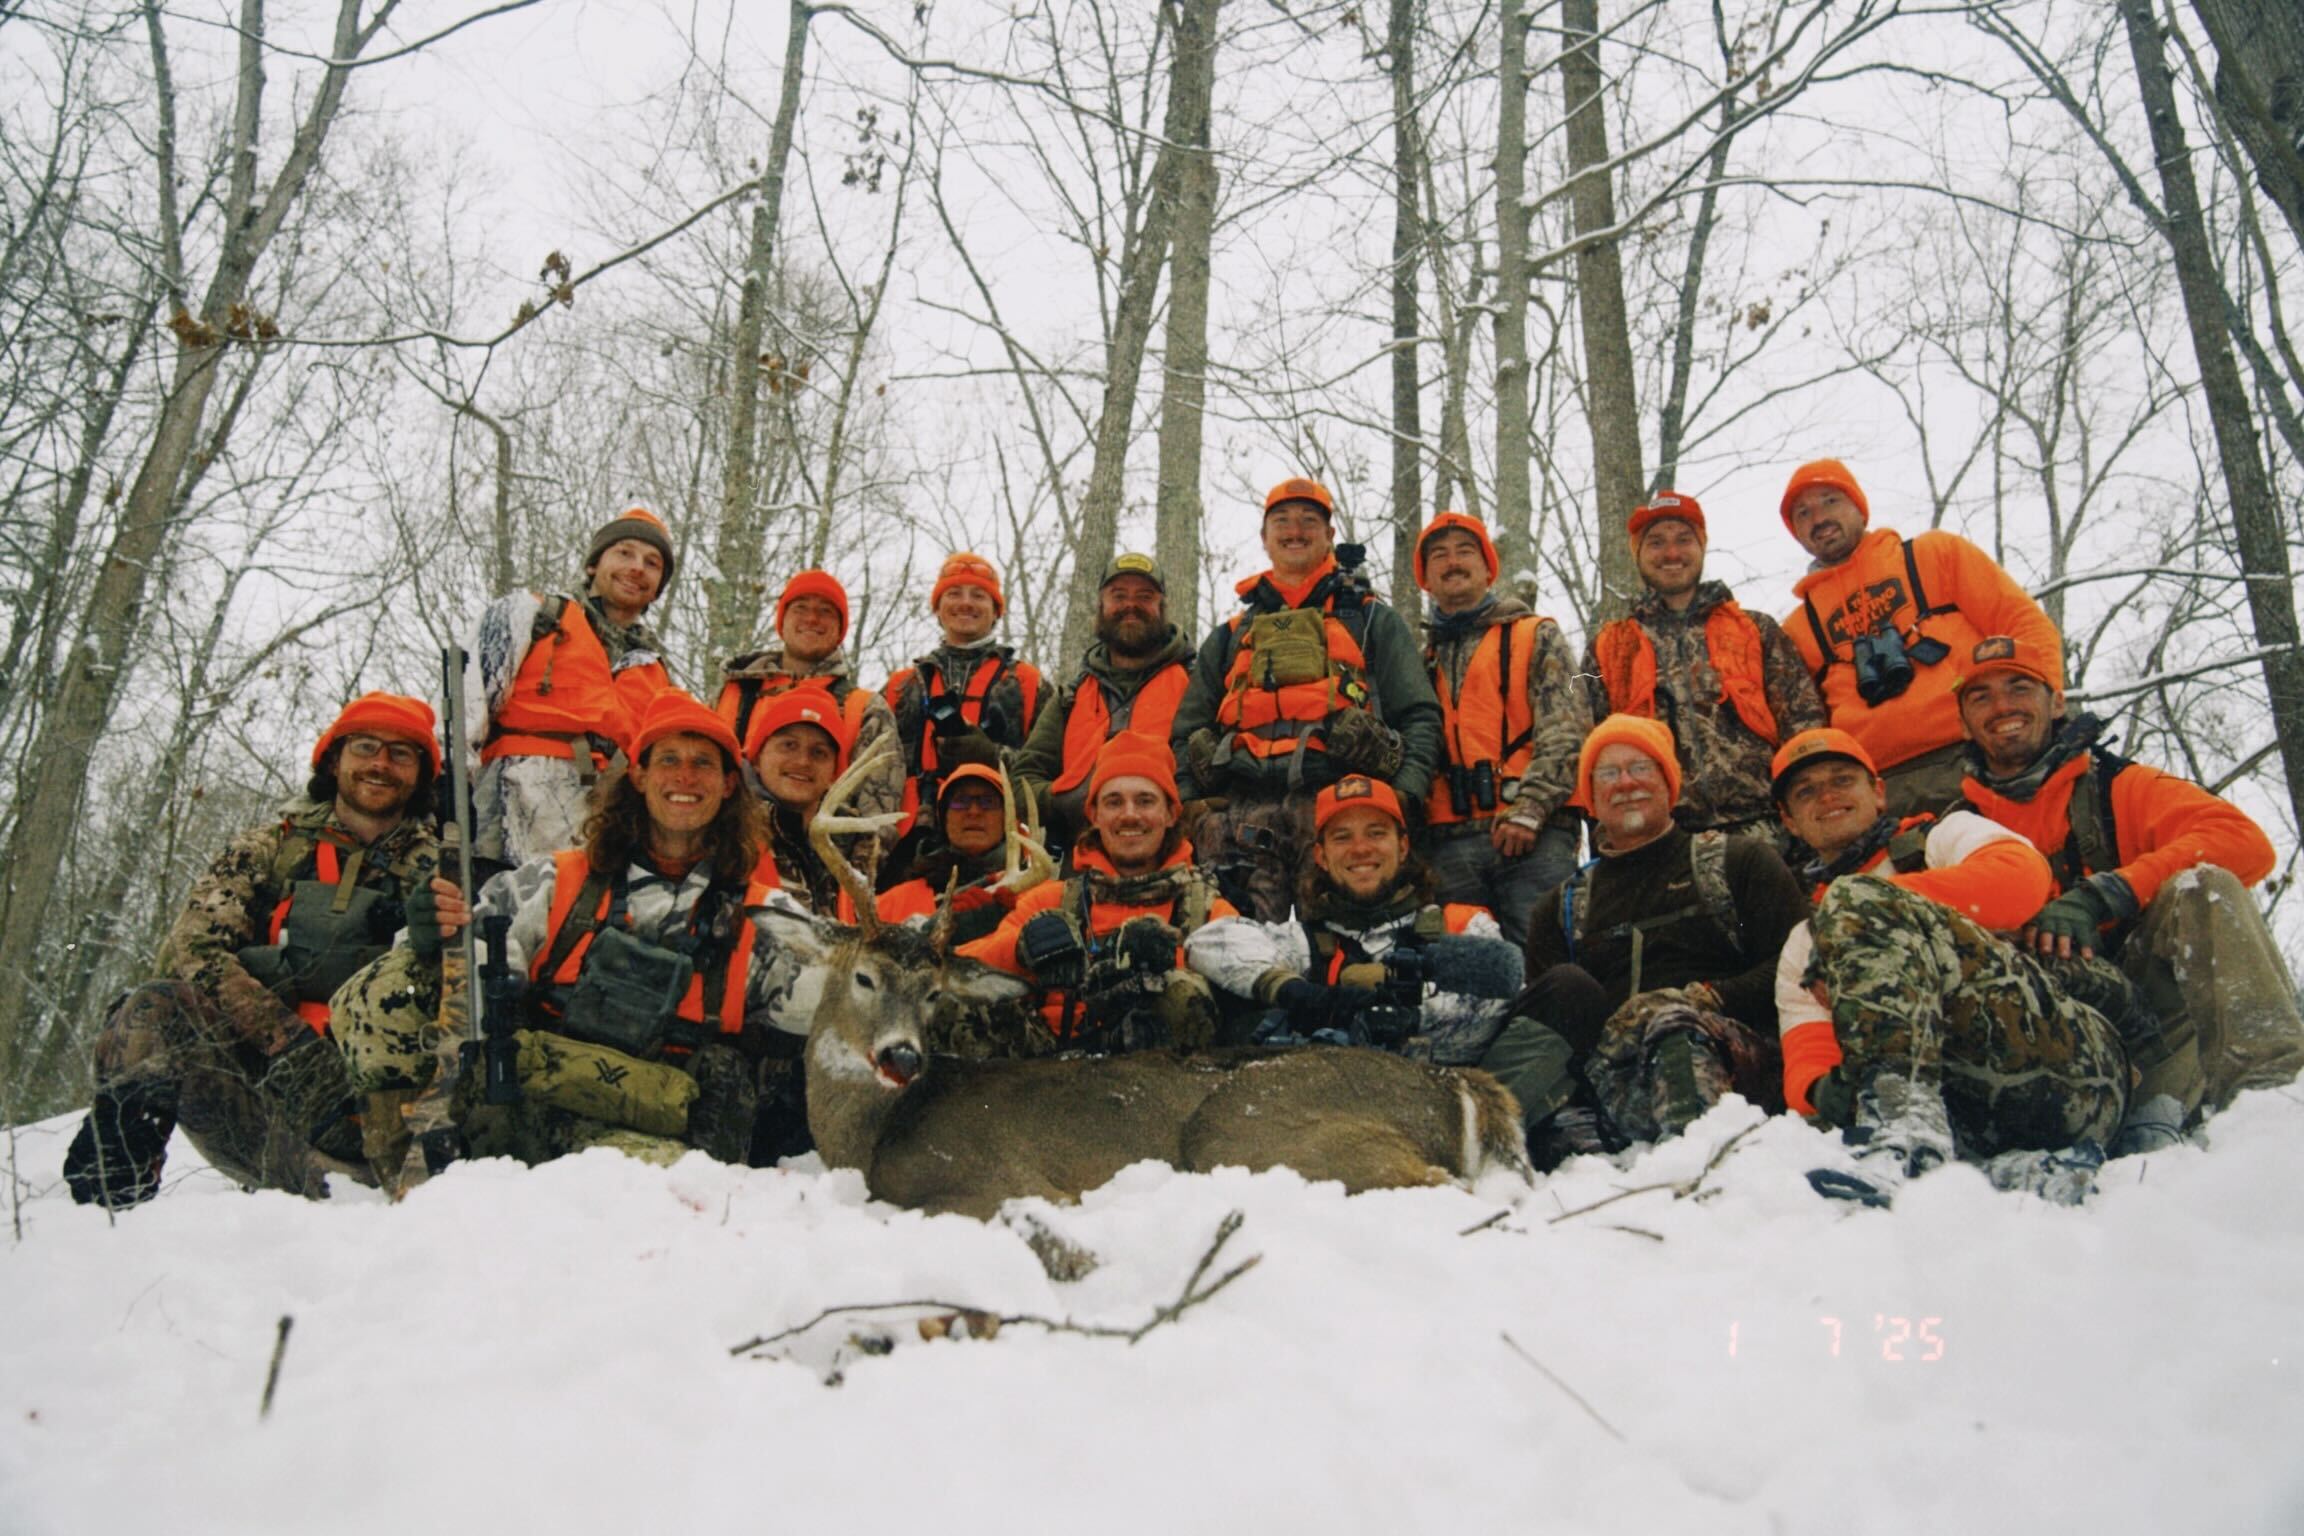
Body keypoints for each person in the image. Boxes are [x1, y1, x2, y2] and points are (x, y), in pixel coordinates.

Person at [337, 689, 801, 1183]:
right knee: (388, 984)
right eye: (668, 759)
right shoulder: (555, 881)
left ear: (730, 784)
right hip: (520, 1098)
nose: (684, 777)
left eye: (703, 763)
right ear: (639, 775)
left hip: (647, 1126)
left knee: (669, 1192)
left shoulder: (769, 916)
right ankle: (414, 1191)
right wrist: (436, 936)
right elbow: (467, 955)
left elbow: (834, 1008)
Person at [63, 695, 442, 1207]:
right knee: (154, 1008)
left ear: (421, 774)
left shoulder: (444, 871)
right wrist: (288, 1045)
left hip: (387, 1128)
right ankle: (110, 1204)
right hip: (268, 1103)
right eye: (366, 747)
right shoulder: (267, 850)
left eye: (401, 753)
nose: (380, 764)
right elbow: (193, 954)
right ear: (335, 760)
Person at [1768, 726, 2132, 1205]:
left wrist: (1863, 909)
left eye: (1842, 780)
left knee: (1853, 899)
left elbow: (2021, 881)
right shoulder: (1802, 942)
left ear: (1878, 792)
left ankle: (1908, 1139)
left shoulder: (1944, 837)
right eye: (1806, 792)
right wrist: (1826, 1090)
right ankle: (1999, 1172)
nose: (1828, 796)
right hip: (1965, 1108)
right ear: (1790, 821)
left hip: (2071, 1070)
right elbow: (1806, 1065)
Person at [1951, 635, 2304, 1122]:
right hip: (2042, 1052)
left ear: (2056, 702)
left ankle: (2274, 1100)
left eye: (2019, 687)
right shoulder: (1951, 831)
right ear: (1962, 721)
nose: (2002, 706)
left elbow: (2245, 843)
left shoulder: (2119, 787)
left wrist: (2110, 893)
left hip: (2153, 1031)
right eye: (1980, 696)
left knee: (2203, 889)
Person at [1516, 715, 1812, 1153]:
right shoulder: (1558, 909)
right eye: (1609, 773)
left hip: (1739, 1071)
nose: (1626, 783)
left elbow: (1799, 969)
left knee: (1674, 1026)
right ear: (1591, 800)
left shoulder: (1741, 862)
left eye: (1642, 767)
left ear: (1670, 784)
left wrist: (1703, 998)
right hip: (1618, 1082)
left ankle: (1696, 1162)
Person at [1172, 477, 1442, 922]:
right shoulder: (1229, 637)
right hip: (1241, 816)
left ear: (1329, 536)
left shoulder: (1374, 621)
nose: (1294, 531)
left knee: (1344, 953)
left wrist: (1404, 795)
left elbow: (1419, 715)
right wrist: (1191, 805)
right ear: (1264, 537)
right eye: (1282, 521)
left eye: (1308, 522)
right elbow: (1186, 730)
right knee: (1237, 950)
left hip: (1340, 811)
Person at [1778, 460, 2063, 818]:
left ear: (1859, 508)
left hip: (1975, 757)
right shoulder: (1799, 626)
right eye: (1802, 513)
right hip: (1878, 790)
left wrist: (2047, 715)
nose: (1818, 518)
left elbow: (2025, 626)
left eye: (1830, 501)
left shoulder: (1934, 555)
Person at [1186, 774, 1527, 1069]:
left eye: (1376, 833)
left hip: (1442, 1096)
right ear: (1320, 855)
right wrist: (1297, 992)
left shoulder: (1463, 925)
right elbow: (1209, 942)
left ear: (1403, 846)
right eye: (1342, 837)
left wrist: (1409, 1019)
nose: (1361, 849)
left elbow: (1497, 1005)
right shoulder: (1304, 941)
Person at [964, 731, 1235, 1055]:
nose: (1129, 814)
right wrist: (1019, 950)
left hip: (1161, 1090)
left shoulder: (1205, 910)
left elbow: (1252, 977)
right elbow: (959, 968)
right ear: (1094, 815)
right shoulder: (1050, 900)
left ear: (1170, 814)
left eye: (1145, 800)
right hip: (1047, 1082)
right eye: (1114, 801)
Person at [1584, 490, 1825, 847]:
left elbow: (1805, 725)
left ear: (1701, 548)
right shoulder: (1610, 648)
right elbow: (1591, 754)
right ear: (1637, 553)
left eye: (1684, 540)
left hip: (1771, 831)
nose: (1671, 553)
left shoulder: (1756, 629)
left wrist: (1806, 817)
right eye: (1656, 543)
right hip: (1664, 842)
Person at [464, 505, 675, 873]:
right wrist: (449, 798)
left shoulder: (655, 670)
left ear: (657, 588)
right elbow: (467, 706)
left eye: (652, 563)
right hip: (506, 816)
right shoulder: (532, 615)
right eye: (624, 553)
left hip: (604, 834)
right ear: (593, 564)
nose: (637, 568)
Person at [1411, 511, 1586, 942]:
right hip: (1448, 843)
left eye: (1465, 551)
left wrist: (1530, 808)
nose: (1453, 562)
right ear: (1425, 578)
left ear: (1490, 568)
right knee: (1465, 976)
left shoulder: (1536, 634)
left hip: (1534, 835)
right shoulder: (1417, 660)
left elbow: (1568, 730)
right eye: (1439, 555)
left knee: (1542, 961)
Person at [714, 569, 901, 865]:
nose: (812, 619)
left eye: (825, 611)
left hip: (816, 867)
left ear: (840, 628)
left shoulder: (864, 707)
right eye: (800, 608)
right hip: (728, 856)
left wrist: (848, 883)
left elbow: (877, 819)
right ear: (782, 620)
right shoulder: (734, 691)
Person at [1012, 552, 1194, 851]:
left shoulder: (1196, 684)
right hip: (1084, 855)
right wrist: (1071, 801)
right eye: (1118, 595)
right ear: (1101, 605)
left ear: (1162, 607)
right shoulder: (1070, 697)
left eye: (1144, 596)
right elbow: (1023, 778)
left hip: (1172, 857)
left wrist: (1162, 805)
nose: (1130, 605)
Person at [883, 551, 1043, 835]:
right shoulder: (901, 686)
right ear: (938, 607)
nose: (966, 603)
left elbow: (1048, 771)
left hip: (997, 839)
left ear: (996, 611)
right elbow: (874, 772)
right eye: (954, 593)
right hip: (908, 840)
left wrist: (991, 756)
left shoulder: (1027, 683)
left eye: (979, 596)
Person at [743, 686, 867, 921]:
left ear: (833, 774)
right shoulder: (730, 830)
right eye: (788, 745)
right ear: (757, 758)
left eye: (819, 753)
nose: (802, 761)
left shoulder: (857, 843)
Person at [878, 763, 1017, 946]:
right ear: (943, 819)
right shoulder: (893, 903)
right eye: (961, 801)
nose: (974, 812)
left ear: (1007, 818)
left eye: (988, 802)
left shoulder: (1031, 896)